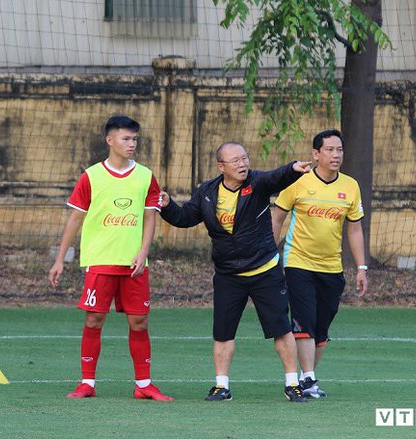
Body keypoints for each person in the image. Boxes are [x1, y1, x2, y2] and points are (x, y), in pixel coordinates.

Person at [159, 141, 312, 402]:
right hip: (228, 274)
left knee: (281, 328)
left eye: (244, 158)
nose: (242, 164)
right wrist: (167, 205)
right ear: (221, 167)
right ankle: (221, 386)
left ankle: (292, 383)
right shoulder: (207, 192)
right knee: (223, 331)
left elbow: (276, 177)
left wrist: (293, 169)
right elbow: (185, 217)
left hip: (265, 270)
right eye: (235, 161)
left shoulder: (257, 183)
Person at [49, 115, 173, 401]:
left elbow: (150, 216)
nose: (132, 144)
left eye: (135, 139)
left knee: (139, 322)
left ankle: (144, 384)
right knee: (94, 319)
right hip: (101, 261)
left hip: (134, 264)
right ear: (110, 140)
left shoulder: (145, 176)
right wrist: (60, 259)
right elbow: (75, 218)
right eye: (126, 139)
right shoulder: (91, 176)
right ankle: (87, 383)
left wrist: (144, 251)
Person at [271, 129, 368, 399]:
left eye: (339, 150)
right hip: (298, 263)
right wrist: (270, 254)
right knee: (304, 321)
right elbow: (277, 217)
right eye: (329, 150)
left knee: (322, 327)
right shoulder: (297, 183)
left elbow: (355, 230)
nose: (336, 155)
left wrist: (362, 268)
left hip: (332, 268)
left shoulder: (350, 186)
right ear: (316, 154)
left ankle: (307, 377)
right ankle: (309, 379)